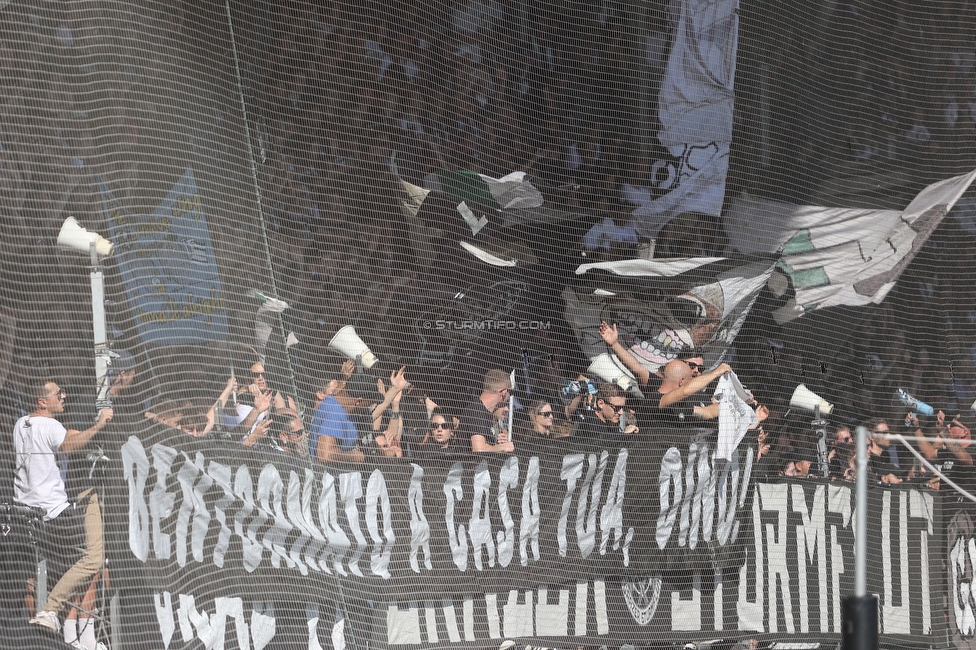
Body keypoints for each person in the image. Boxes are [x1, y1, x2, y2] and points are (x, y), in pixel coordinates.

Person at [14, 379, 113, 635]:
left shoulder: (21, 424)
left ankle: (59, 626)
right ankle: (52, 612)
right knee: (96, 558)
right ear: (43, 401)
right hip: (54, 513)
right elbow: (69, 444)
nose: (64, 396)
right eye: (58, 394)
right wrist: (99, 424)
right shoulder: (50, 425)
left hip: (25, 513)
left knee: (41, 575)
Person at [462, 369, 515, 453]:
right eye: (510, 391)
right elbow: (479, 449)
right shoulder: (476, 410)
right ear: (504, 392)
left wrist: (498, 443)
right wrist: (502, 447)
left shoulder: (487, 414)